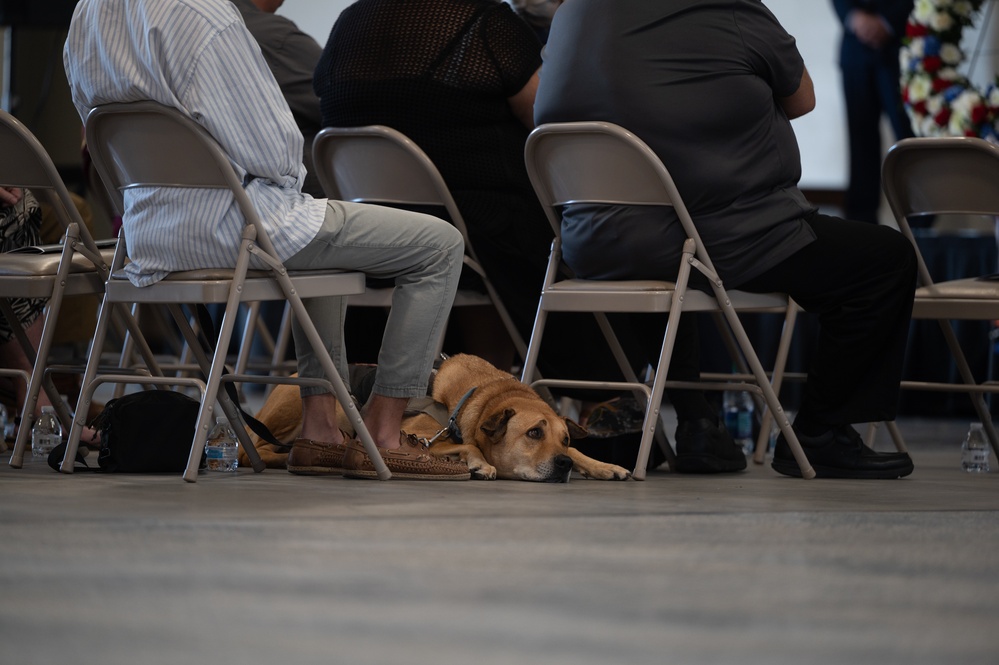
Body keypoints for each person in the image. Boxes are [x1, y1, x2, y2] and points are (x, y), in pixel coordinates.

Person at [64, 0, 469, 479]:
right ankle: (383, 434)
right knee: (441, 245)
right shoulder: (206, 15)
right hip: (237, 228)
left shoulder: (89, 12)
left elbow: (97, 130)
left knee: (322, 253)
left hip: (148, 235)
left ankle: (320, 431)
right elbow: (276, 151)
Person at [534, 0, 918, 479]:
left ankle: (700, 423)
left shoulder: (573, 12)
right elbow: (802, 100)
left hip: (592, 240)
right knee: (885, 260)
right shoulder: (727, 7)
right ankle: (823, 431)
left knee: (670, 262)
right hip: (725, 233)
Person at [313, 0, 658, 419]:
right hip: (479, 229)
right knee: (583, 237)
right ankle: (601, 404)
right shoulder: (484, 22)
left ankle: (480, 398)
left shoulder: (349, 22)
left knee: (512, 245)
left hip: (376, 232)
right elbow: (549, 115)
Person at [231, 0, 325, 198]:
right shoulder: (276, 36)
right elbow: (342, 104)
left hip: (226, 196)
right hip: (292, 199)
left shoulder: (188, 32)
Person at [832, 0, 914, 224]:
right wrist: (855, 17)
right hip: (855, 50)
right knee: (860, 141)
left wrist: (887, 22)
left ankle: (921, 224)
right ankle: (861, 224)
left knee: (910, 140)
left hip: (900, 48)